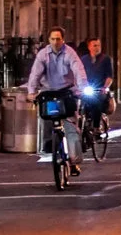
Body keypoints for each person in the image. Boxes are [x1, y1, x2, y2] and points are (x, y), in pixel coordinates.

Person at [26, 27, 89, 172]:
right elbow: (35, 74)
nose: (55, 42)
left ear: (63, 40)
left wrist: (82, 87)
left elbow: (78, 70)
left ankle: (74, 161)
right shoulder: (43, 55)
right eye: (53, 39)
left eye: (58, 39)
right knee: (46, 119)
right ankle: (48, 144)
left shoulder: (70, 53)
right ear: (49, 40)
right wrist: (31, 92)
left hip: (66, 91)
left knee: (71, 126)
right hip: (49, 92)